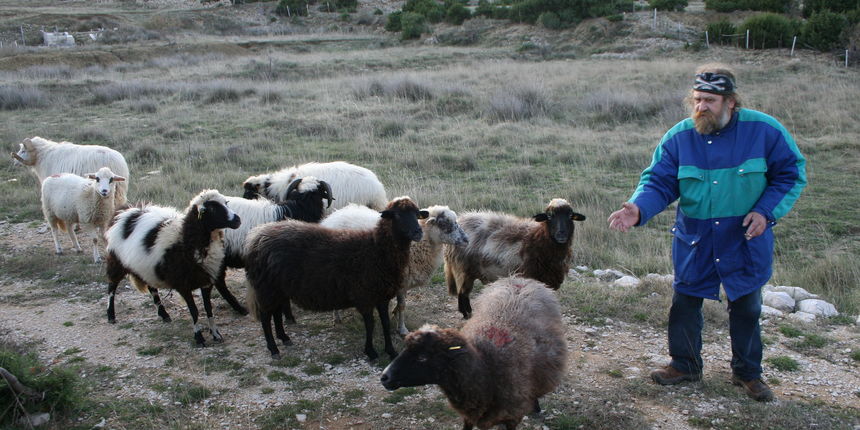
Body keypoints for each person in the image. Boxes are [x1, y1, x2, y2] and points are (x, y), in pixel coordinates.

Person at [607, 63, 806, 402]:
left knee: (746, 307)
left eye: (710, 100)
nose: (701, 107)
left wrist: (765, 211)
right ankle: (684, 365)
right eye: (697, 99)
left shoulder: (764, 130)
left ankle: (748, 373)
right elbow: (658, 181)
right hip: (695, 237)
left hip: (744, 236)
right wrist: (639, 208)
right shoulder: (679, 137)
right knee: (685, 303)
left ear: (731, 102)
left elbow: (791, 173)